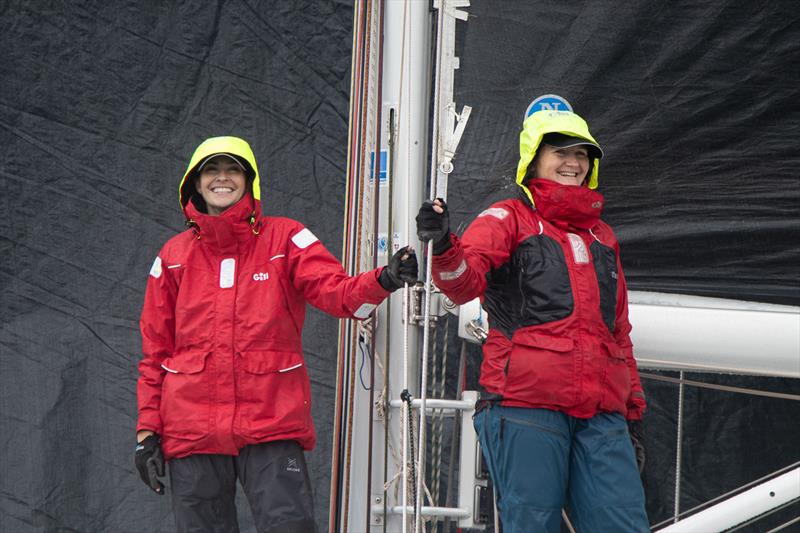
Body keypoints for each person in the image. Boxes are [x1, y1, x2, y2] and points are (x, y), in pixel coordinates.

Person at [135, 136, 418, 533]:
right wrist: (147, 434)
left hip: (270, 424)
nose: (222, 178)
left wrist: (384, 279)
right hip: (192, 431)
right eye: (211, 170)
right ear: (194, 184)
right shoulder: (173, 257)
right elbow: (155, 353)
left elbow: (338, 296)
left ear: (249, 181)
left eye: (233, 169)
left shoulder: (285, 239)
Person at [416, 110, 649, 532]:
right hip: (525, 406)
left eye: (582, 154)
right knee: (532, 525)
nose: (573, 163)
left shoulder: (603, 237)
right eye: (561, 152)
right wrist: (444, 245)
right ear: (533, 160)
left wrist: (633, 412)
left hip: (602, 413)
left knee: (624, 524)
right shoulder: (507, 219)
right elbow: (462, 284)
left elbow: (618, 333)